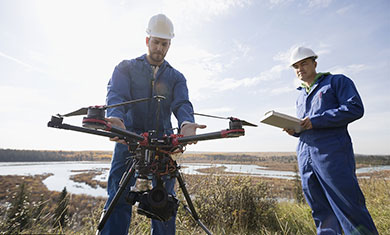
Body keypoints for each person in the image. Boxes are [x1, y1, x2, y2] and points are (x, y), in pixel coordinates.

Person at [100, 14, 206, 235]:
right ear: (147, 40)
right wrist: (116, 119)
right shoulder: (125, 68)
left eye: (164, 44)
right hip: (128, 141)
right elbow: (116, 96)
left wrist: (187, 123)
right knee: (118, 197)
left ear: (170, 45)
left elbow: (182, 103)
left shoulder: (177, 77)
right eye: (156, 42)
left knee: (163, 203)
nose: (159, 48)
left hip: (164, 145)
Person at [284, 46, 378, 235]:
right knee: (320, 211)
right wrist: (294, 130)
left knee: (349, 207)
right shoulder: (300, 96)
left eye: (304, 63)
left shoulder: (336, 82)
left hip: (332, 155)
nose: (300, 69)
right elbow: (306, 127)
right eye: (296, 66)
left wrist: (316, 120)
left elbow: (354, 108)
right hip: (305, 155)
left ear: (315, 63)